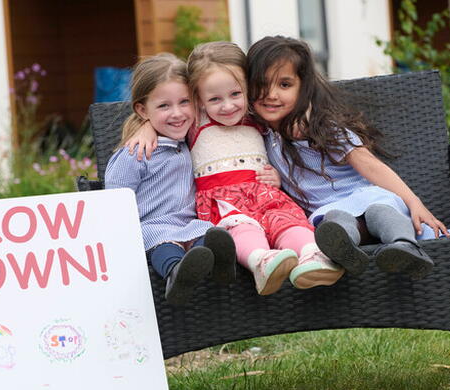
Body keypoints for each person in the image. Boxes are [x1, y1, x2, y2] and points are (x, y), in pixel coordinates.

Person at [126, 42, 345, 295]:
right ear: (198, 100)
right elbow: (167, 111)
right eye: (214, 99)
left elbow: (292, 107)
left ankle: (312, 257)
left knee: (288, 224)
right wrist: (146, 126)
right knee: (241, 229)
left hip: (266, 196)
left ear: (247, 89)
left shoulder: (257, 115)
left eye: (235, 94)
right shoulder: (196, 119)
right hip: (224, 203)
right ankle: (261, 261)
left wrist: (275, 175)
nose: (227, 106)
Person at [246, 36, 450, 280]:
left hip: (365, 196)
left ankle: (405, 247)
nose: (271, 94)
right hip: (328, 211)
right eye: (262, 84)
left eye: (285, 85)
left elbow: (368, 164)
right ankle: (345, 252)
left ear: (304, 88)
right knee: (336, 221)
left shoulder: (322, 127)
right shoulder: (261, 137)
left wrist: (414, 202)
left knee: (380, 212)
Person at [104, 53, 236, 305]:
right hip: (149, 227)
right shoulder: (135, 152)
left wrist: (150, 124)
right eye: (164, 106)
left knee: (209, 233)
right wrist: (145, 127)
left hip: (188, 224)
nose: (177, 113)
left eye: (184, 102)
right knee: (164, 243)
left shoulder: (190, 138)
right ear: (142, 109)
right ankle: (176, 274)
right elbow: (113, 202)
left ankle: (214, 264)